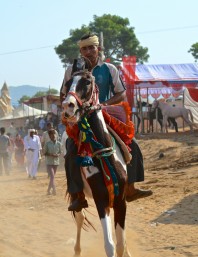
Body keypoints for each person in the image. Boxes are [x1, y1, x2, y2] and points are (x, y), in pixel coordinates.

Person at [60, 33, 152, 211]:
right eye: (84, 48)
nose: (88, 51)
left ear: (98, 49)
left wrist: (103, 105)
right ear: (80, 51)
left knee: (133, 145)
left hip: (104, 115)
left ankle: (130, 188)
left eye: (91, 47)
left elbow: (121, 93)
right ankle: (78, 195)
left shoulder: (110, 69)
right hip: (80, 119)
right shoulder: (71, 71)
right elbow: (63, 93)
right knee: (71, 151)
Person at [43, 128, 62, 195]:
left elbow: (60, 152)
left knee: (52, 177)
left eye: (54, 134)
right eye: (51, 135)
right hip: (49, 162)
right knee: (52, 176)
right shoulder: (47, 144)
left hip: (56, 162)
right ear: (49, 136)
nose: (53, 136)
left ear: (56, 135)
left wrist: (57, 155)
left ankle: (48, 190)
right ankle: (54, 189)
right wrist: (51, 154)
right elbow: (44, 153)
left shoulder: (59, 144)